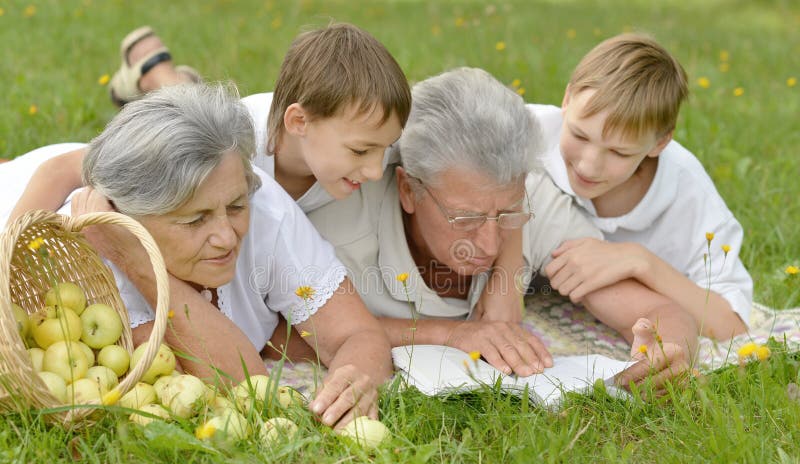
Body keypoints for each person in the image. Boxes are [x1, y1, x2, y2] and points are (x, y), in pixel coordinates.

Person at [7, 22, 521, 325]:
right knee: (176, 116)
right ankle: (159, 74)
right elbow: (64, 168)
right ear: (298, 122)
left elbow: (499, 165)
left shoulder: (368, 146)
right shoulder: (238, 144)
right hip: (115, 169)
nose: (377, 168)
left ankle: (165, 75)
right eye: (363, 151)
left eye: (383, 151)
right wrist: (12, 250)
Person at [1, 83, 393, 428]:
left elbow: (358, 332)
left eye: (236, 207)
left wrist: (355, 377)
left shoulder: (260, 202)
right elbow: (240, 383)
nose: (226, 236)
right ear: (130, 217)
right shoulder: (86, 259)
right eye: (195, 220)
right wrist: (138, 264)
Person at [307, 68, 699, 393]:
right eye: (467, 219)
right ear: (409, 189)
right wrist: (450, 335)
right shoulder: (340, 217)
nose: (491, 243)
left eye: (508, 213)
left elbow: (657, 311)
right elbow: (283, 329)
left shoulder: (538, 201)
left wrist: (669, 348)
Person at [530, 34, 752, 340]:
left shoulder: (686, 194)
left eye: (619, 152)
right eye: (580, 135)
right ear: (567, 100)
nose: (588, 166)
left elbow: (732, 326)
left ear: (660, 142)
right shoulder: (525, 131)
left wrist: (640, 261)